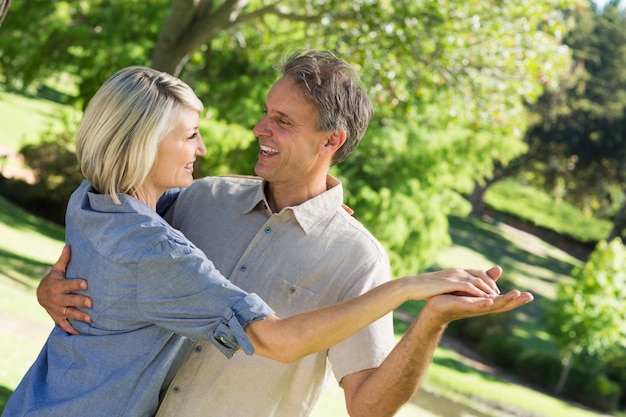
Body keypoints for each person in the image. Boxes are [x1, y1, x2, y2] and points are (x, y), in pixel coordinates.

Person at [35, 52, 534, 417]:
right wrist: (52, 284)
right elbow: (115, 223)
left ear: (331, 140)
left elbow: (368, 406)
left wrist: (429, 322)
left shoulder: (356, 258)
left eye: (282, 120)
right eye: (265, 112)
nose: (259, 128)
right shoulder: (202, 197)